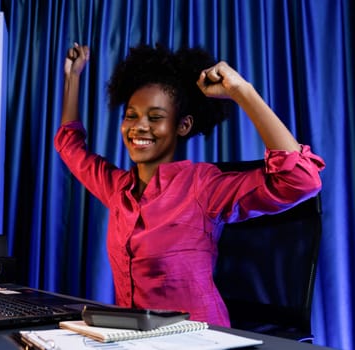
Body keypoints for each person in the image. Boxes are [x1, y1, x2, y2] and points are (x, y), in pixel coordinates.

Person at [54, 43, 325, 327]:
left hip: (199, 339)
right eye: (131, 115)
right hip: (133, 339)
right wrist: (73, 77)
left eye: (155, 117)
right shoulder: (118, 188)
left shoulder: (203, 186)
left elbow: (300, 179)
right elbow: (69, 145)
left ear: (182, 126)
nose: (139, 126)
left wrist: (240, 91)